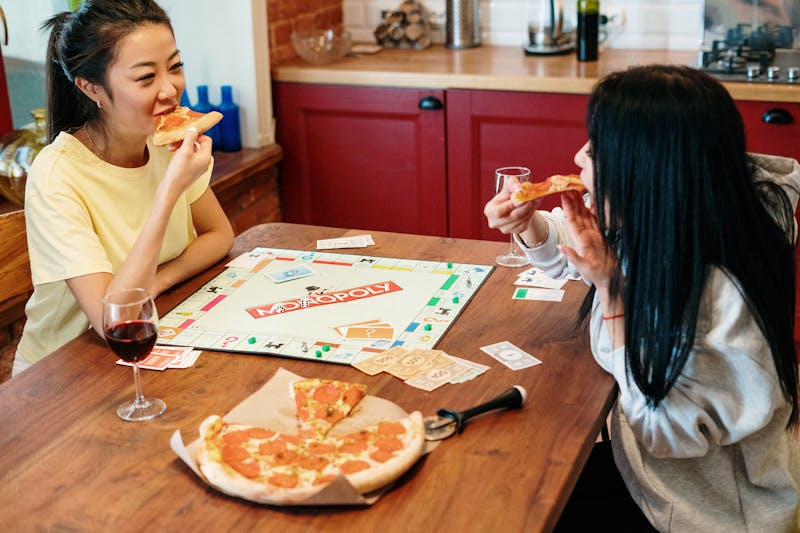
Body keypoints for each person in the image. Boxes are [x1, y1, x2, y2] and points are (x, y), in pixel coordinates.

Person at [484, 65, 800, 531]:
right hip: (644, 473)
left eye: (595, 148)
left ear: (647, 167)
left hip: (704, 514)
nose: (578, 156)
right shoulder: (676, 213)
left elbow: (664, 430)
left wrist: (612, 292)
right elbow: (584, 255)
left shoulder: (719, 290)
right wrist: (529, 223)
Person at [14, 0, 234, 376]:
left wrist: (157, 282)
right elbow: (111, 320)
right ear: (92, 88)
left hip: (148, 344)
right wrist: (168, 194)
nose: (170, 89)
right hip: (61, 375)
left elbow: (220, 234)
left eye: (175, 67)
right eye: (146, 78)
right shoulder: (56, 175)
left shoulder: (163, 141)